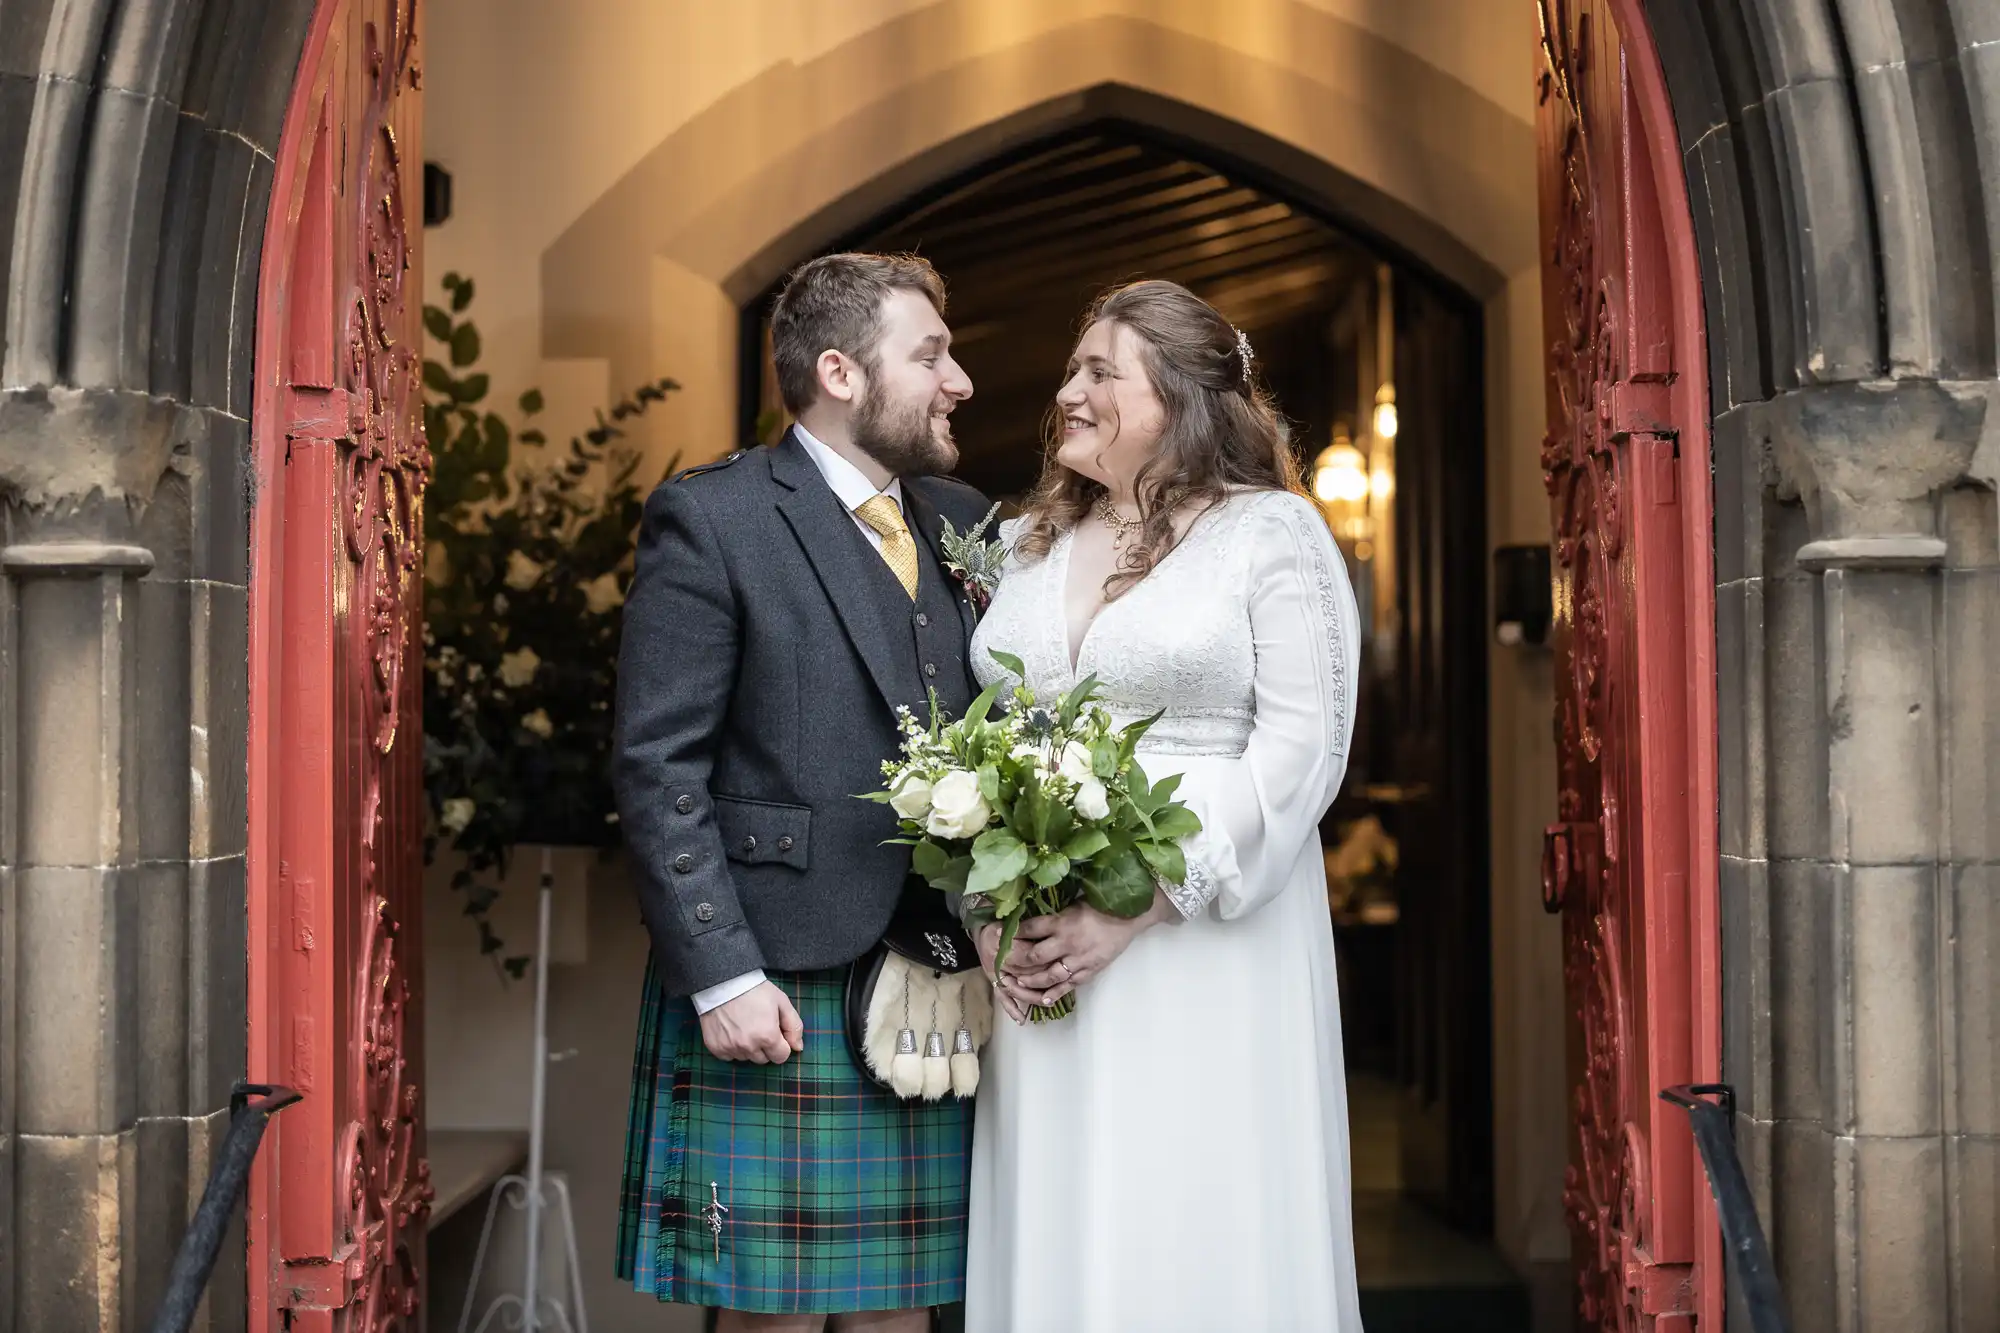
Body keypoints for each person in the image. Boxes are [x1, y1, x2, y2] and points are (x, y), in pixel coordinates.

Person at [962, 280, 1366, 1331]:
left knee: (1192, 1200)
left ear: (1182, 395)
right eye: (1072, 367)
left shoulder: (1268, 536)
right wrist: (985, 901)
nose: (1067, 390)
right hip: (1042, 951)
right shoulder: (1025, 546)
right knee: (1062, 1207)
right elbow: (982, 734)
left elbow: (1301, 750)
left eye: (1099, 370)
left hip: (1206, 942)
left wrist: (1140, 904)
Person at [613, 252, 991, 1332]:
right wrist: (717, 969)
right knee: (768, 1312)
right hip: (775, 962)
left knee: (901, 1308)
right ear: (839, 371)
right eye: (930, 355)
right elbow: (657, 764)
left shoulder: (962, 518)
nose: (957, 379)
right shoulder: (717, 517)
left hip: (933, 965)